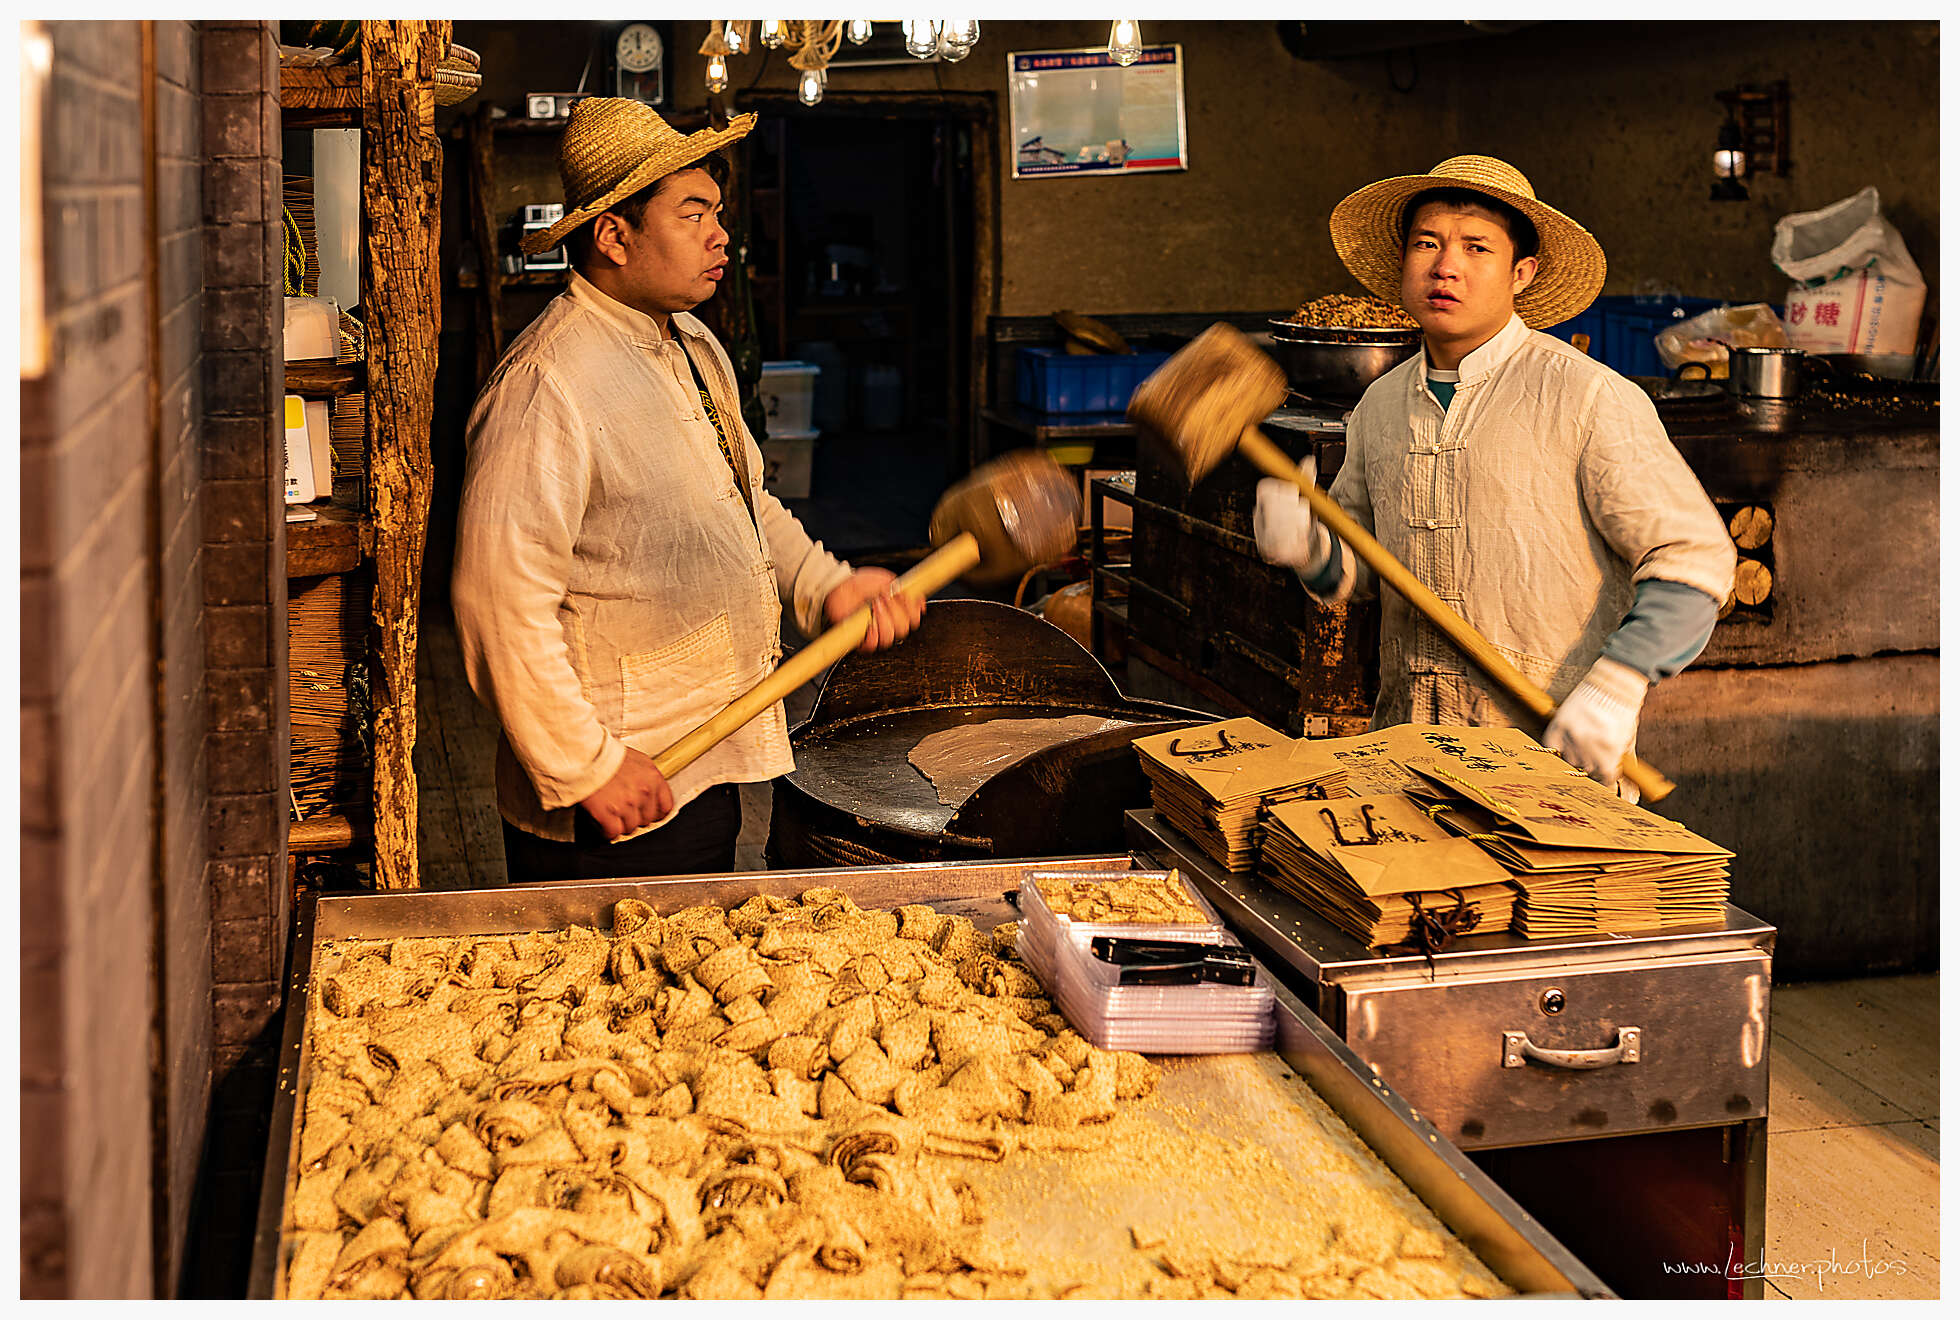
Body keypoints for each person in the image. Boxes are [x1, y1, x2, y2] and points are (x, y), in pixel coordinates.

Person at [452, 98, 923, 881]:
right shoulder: (548, 384)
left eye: (718, 213)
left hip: (705, 752)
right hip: (617, 784)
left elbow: (742, 500)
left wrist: (825, 585)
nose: (720, 235)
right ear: (614, 236)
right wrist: (586, 763)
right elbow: (496, 600)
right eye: (693, 214)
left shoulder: (694, 345)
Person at [1254, 155, 1735, 793]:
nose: (1445, 266)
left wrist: (1620, 682)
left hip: (1549, 770)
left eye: (1476, 247)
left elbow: (1693, 558)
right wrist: (1311, 550)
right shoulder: (1379, 406)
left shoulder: (1587, 397)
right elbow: (1365, 568)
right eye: (1427, 243)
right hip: (1409, 755)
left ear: (1521, 273)